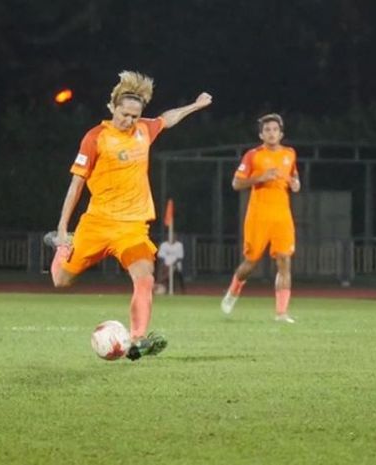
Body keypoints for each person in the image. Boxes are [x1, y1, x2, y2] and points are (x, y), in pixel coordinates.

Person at [44, 71, 212, 360]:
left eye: (135, 115)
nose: (130, 120)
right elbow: (76, 184)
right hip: (97, 223)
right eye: (125, 114)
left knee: (145, 277)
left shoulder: (144, 130)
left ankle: (138, 340)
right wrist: (62, 227)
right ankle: (63, 246)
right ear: (112, 108)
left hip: (132, 227)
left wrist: (194, 106)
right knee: (61, 281)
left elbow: (166, 118)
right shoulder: (96, 138)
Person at [220, 113, 300, 322]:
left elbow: (294, 176)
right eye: (267, 130)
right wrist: (260, 178)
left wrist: (296, 183)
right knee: (251, 262)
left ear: (281, 133)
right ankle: (234, 289)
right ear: (261, 134)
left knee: (284, 260)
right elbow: (236, 184)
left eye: (275, 129)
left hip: (282, 216)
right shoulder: (253, 156)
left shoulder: (290, 154)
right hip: (258, 215)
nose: (271, 133)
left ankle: (281, 313)